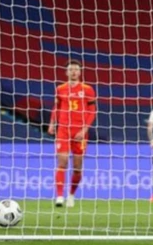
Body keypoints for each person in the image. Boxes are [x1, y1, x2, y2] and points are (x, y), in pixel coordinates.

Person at [48, 60, 97, 208]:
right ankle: (59, 196)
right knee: (62, 162)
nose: (74, 72)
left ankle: (71, 194)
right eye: (71, 69)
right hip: (63, 130)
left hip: (79, 132)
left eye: (76, 69)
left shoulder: (87, 89)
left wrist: (84, 129)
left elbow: (92, 111)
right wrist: (52, 123)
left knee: (77, 167)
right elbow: (56, 107)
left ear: (80, 72)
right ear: (66, 72)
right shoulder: (60, 88)